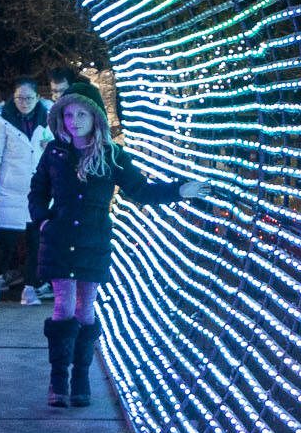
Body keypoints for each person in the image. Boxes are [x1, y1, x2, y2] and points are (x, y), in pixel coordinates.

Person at [28, 94, 206, 406]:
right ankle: (58, 381)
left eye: (82, 114)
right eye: (69, 115)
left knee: (85, 309)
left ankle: (81, 379)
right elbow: (37, 190)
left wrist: (178, 189)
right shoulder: (55, 152)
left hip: (93, 241)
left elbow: (141, 190)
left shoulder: (112, 155)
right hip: (60, 240)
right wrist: (43, 220)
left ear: (95, 117)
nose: (75, 121)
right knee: (63, 308)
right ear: (61, 119)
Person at [0, 78, 49, 304]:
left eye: (29, 98)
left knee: (36, 241)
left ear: (37, 98)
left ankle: (29, 287)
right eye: (19, 98)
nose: (24, 102)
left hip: (39, 190)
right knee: (6, 242)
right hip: (11, 189)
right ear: (12, 98)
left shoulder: (48, 118)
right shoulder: (2, 121)